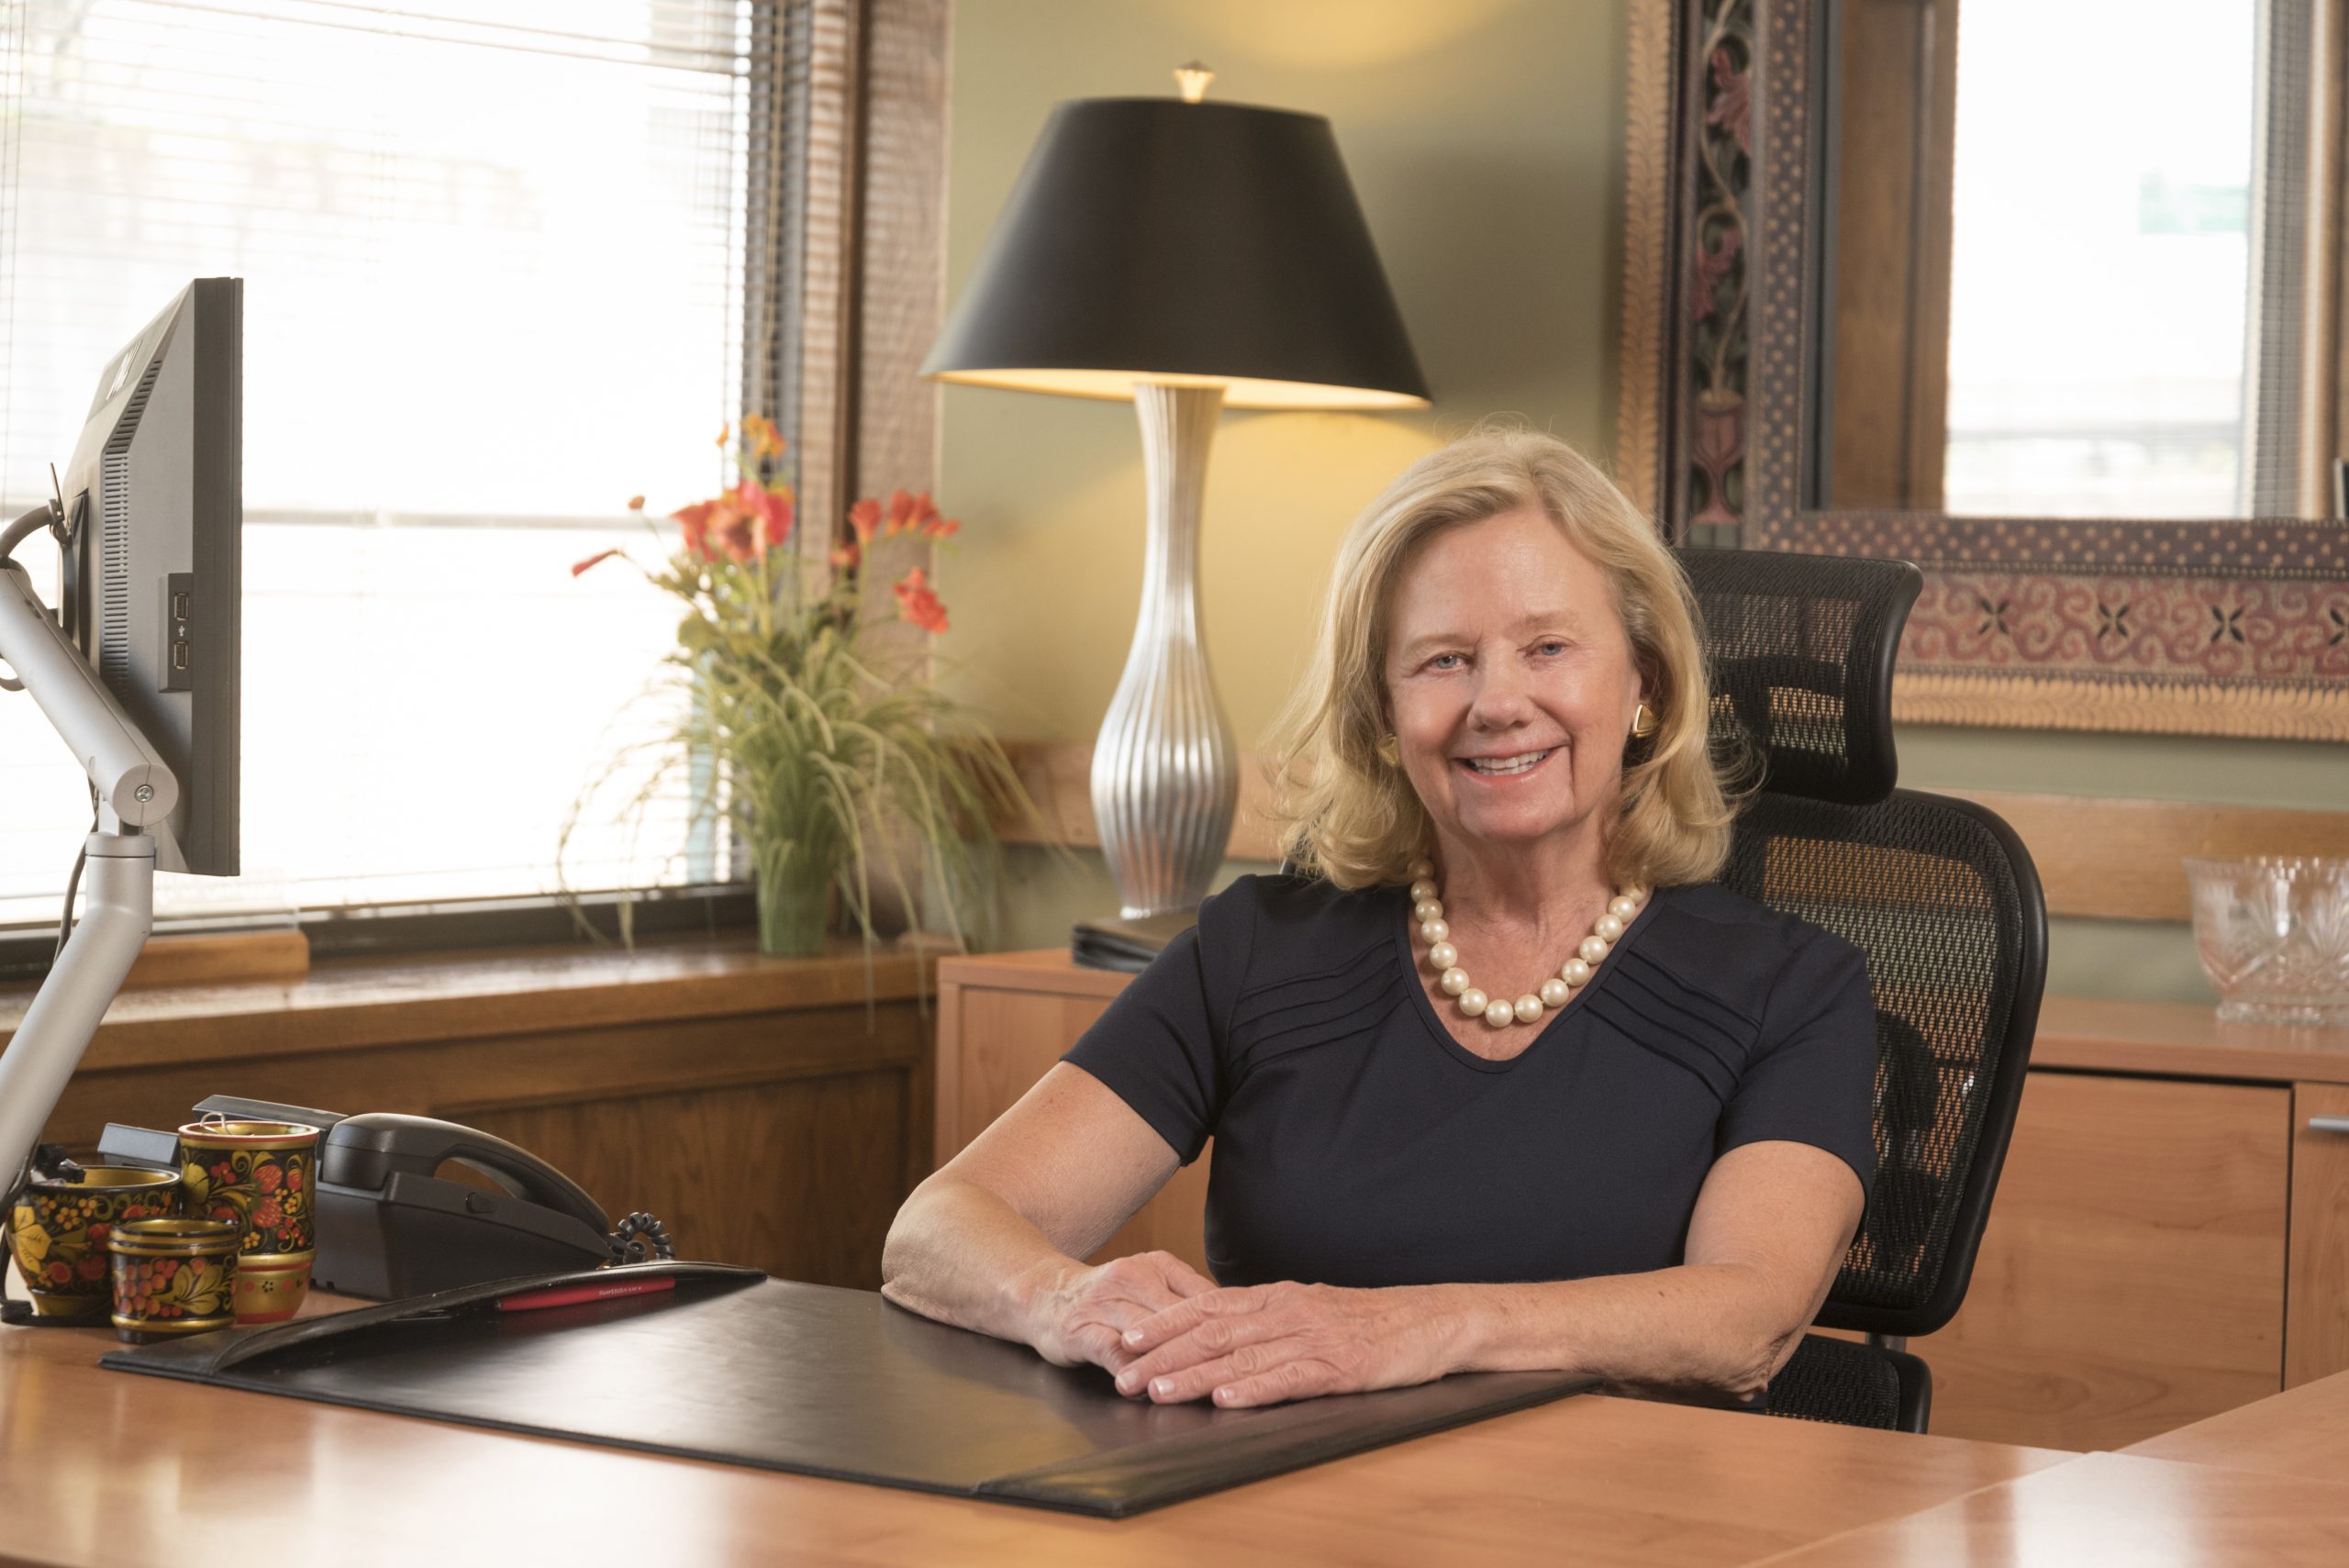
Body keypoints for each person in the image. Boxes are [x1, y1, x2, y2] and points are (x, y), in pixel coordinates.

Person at [881, 429, 1876, 1412]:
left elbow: (1748, 1318)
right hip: (1282, 1509)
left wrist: (1422, 1329)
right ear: (1381, 718)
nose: (1497, 701)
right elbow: (936, 1230)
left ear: (1644, 687)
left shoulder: (1790, 988)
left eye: (1548, 646)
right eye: (1444, 660)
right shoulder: (1259, 948)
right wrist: (1065, 1299)